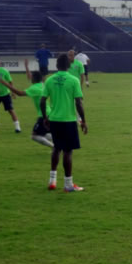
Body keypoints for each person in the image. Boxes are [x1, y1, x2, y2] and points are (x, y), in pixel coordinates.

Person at [40, 54, 87, 192]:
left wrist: (45, 117)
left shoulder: (49, 80)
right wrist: (83, 120)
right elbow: (78, 102)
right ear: (69, 65)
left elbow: (42, 101)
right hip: (68, 120)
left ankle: (52, 181)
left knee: (56, 148)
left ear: (56, 65)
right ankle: (68, 185)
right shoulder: (74, 80)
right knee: (67, 151)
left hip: (54, 119)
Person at [0, 59, 53, 147]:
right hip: (49, 113)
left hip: (43, 115)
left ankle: (55, 147)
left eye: (32, 77)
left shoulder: (34, 88)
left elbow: (19, 93)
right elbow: (29, 76)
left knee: (34, 136)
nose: (30, 78)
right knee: (43, 133)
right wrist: (26, 67)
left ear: (34, 79)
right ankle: (59, 142)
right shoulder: (42, 84)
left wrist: (5, 83)